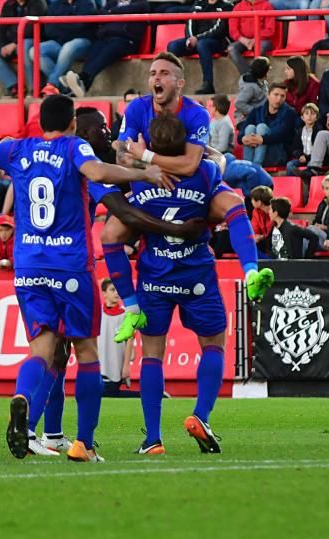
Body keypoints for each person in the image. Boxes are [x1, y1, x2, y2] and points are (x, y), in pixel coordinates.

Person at [0, 94, 170, 462]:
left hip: (28, 266)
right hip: (70, 266)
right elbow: (99, 173)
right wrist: (143, 172)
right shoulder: (74, 148)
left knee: (42, 348)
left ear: (41, 122)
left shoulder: (17, 149)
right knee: (85, 352)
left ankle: (23, 400)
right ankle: (83, 443)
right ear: (72, 123)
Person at [101, 53, 275, 344]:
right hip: (151, 182)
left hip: (188, 181)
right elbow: (121, 156)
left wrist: (144, 156)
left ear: (180, 83)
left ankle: (251, 274)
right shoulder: (137, 109)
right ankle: (131, 307)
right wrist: (148, 169)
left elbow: (191, 164)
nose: (156, 78)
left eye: (164, 73)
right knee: (109, 234)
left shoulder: (195, 113)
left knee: (232, 203)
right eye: (153, 73)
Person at [122, 114, 247, 455]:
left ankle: (153, 439)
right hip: (196, 274)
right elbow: (221, 177)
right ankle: (201, 415)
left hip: (154, 276)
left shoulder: (138, 180)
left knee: (152, 354)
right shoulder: (205, 173)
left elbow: (117, 230)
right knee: (214, 345)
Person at [61, 0, 147, 97]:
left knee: (110, 49)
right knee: (95, 48)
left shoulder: (140, 0)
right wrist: (111, 12)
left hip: (127, 40)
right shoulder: (111, 3)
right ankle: (83, 83)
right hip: (108, 37)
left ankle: (82, 78)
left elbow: (133, 9)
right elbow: (101, 14)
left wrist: (111, 12)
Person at [31, 0, 97, 89]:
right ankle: (64, 87)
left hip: (83, 43)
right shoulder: (57, 2)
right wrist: (68, 25)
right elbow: (49, 28)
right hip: (59, 43)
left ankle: (52, 84)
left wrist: (61, 25)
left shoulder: (87, 2)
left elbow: (80, 26)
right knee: (34, 51)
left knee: (69, 47)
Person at [169, 0, 233, 96]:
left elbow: (219, 29)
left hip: (217, 41)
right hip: (196, 40)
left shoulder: (227, 5)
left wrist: (197, 39)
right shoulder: (199, 2)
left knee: (203, 45)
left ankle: (208, 84)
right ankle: (173, 83)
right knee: (173, 46)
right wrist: (190, 38)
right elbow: (190, 22)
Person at [238, 82, 299, 167]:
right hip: (257, 149)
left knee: (261, 127)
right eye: (276, 95)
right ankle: (248, 165)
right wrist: (243, 138)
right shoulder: (257, 111)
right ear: (268, 95)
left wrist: (262, 139)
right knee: (249, 128)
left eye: (282, 96)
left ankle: (256, 166)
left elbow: (280, 134)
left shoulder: (289, 113)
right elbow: (241, 133)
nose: (279, 99)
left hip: (278, 153)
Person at [227, 0, 274, 76]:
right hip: (243, 40)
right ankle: (249, 75)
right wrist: (243, 39)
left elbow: (270, 29)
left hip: (262, 40)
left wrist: (255, 39)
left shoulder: (267, 6)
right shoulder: (238, 7)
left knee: (261, 47)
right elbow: (233, 29)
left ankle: (254, 75)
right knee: (231, 49)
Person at [287, 102, 325, 177]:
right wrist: (300, 155)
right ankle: (294, 185)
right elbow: (295, 148)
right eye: (306, 113)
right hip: (303, 157)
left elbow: (319, 150)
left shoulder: (319, 130)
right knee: (290, 165)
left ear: (317, 117)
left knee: (310, 166)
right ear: (302, 117)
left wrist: (307, 157)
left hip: (313, 159)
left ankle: (308, 181)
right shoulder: (300, 131)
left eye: (312, 114)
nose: (309, 116)